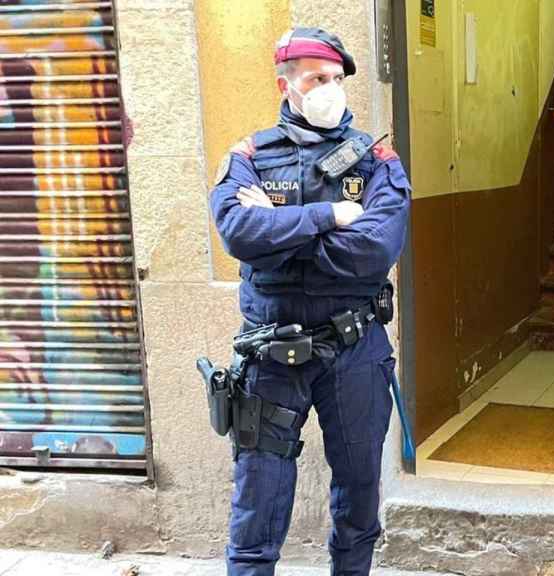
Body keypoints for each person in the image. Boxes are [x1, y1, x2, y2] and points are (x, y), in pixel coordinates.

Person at [208, 27, 411, 576]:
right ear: (286, 84)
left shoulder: (376, 161)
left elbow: (372, 251)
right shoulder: (251, 154)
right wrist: (326, 217)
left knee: (358, 495)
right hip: (271, 356)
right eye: (317, 79)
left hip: (353, 351)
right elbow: (237, 234)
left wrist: (278, 233)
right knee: (257, 508)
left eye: (337, 79)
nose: (330, 89)